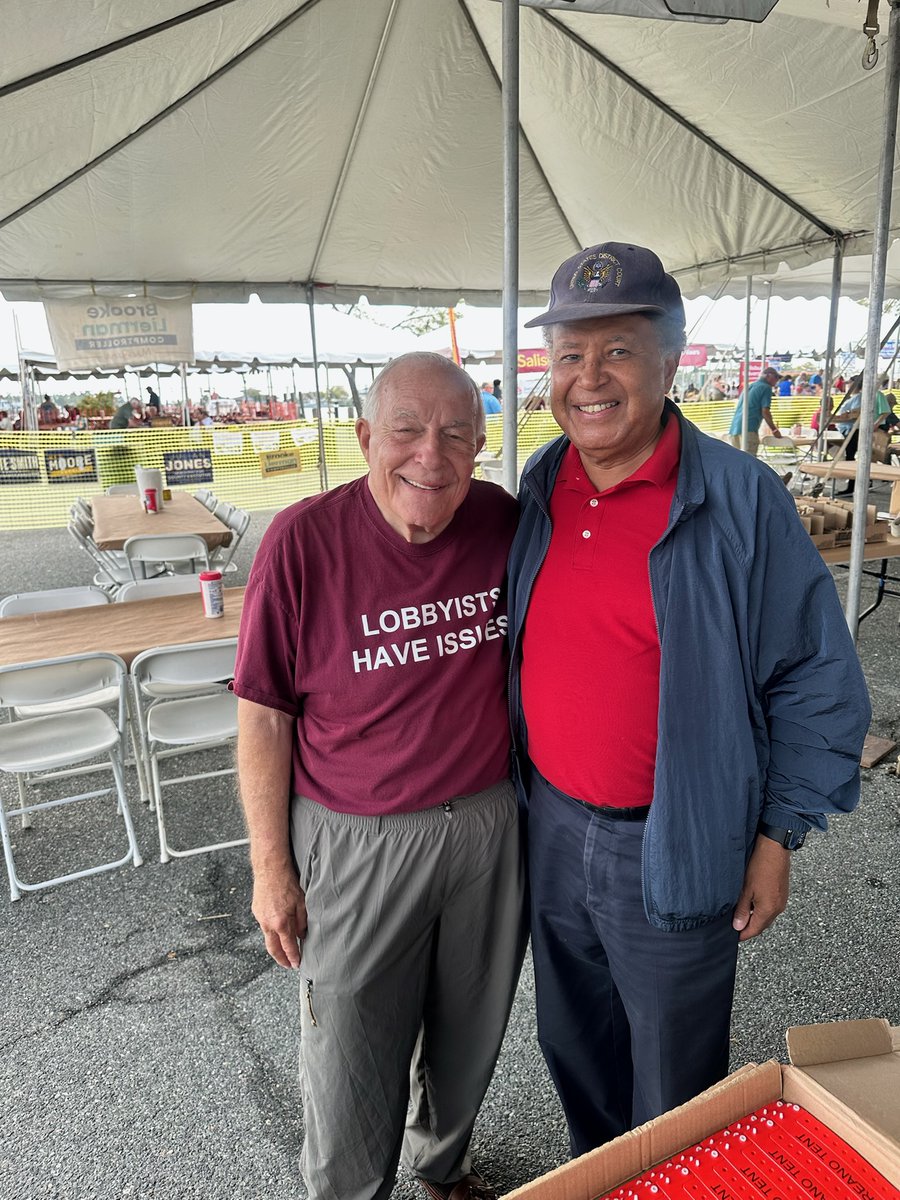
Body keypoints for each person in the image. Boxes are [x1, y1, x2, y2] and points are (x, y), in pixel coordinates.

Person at [506, 240, 870, 1159]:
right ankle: (602, 1174)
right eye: (569, 354)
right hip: (548, 822)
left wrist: (779, 835)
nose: (588, 377)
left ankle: (668, 1180)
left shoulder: (741, 499)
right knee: (574, 1042)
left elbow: (816, 677)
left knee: (674, 1076)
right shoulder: (544, 483)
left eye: (618, 350)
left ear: (671, 361)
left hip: (672, 838)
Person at [234, 351, 525, 1200]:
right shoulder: (303, 541)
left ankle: (442, 1167)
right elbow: (263, 715)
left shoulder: (504, 522)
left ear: (479, 445)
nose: (429, 456)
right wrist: (270, 868)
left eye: (455, 435)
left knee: (472, 1029)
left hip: (487, 823)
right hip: (355, 835)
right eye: (406, 431)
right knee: (349, 1052)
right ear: (365, 438)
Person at [728, 366, 781, 454]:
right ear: (769, 376)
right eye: (776, 377)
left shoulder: (751, 385)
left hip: (735, 427)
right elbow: (765, 411)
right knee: (750, 461)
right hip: (749, 428)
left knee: (736, 461)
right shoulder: (766, 387)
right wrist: (774, 429)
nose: (777, 380)